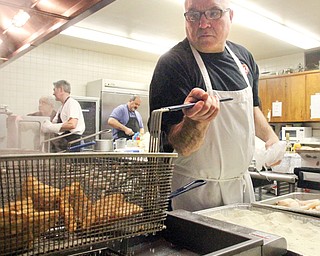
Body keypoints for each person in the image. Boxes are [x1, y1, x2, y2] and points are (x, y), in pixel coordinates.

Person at [149, 0, 283, 212]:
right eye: (193, 15)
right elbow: (181, 146)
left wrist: (270, 138)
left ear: (230, 16)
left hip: (239, 186)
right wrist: (196, 122)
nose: (203, 24)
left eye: (213, 13)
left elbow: (252, 107)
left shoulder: (244, 58)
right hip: (194, 191)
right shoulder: (173, 64)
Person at [41, 80, 85, 152]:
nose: (53, 93)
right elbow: (56, 124)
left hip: (72, 143)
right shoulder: (62, 107)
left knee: (71, 163)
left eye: (54, 90)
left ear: (61, 89)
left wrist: (50, 127)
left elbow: (72, 124)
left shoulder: (72, 103)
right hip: (65, 142)